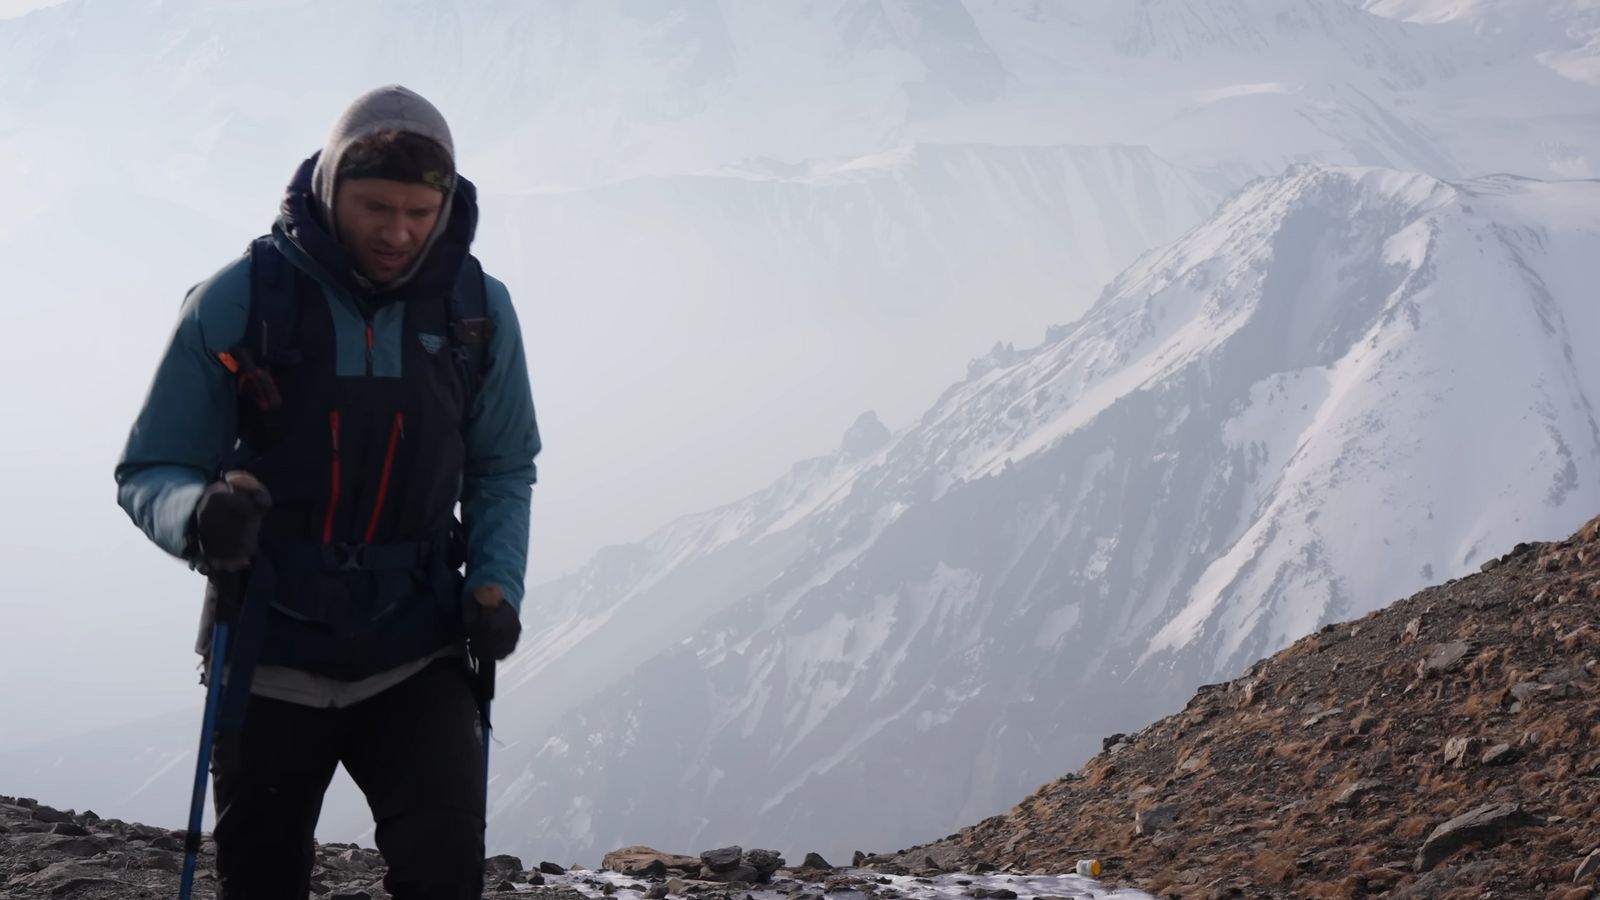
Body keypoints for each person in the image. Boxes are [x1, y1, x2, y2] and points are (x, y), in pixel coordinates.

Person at [114, 84, 540, 899]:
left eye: (420, 211)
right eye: (376, 206)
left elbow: (502, 466)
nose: (399, 231)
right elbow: (151, 468)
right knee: (263, 881)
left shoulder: (477, 312)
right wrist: (197, 518)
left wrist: (495, 583)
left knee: (445, 876)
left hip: (418, 646)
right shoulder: (243, 300)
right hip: (272, 648)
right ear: (328, 185)